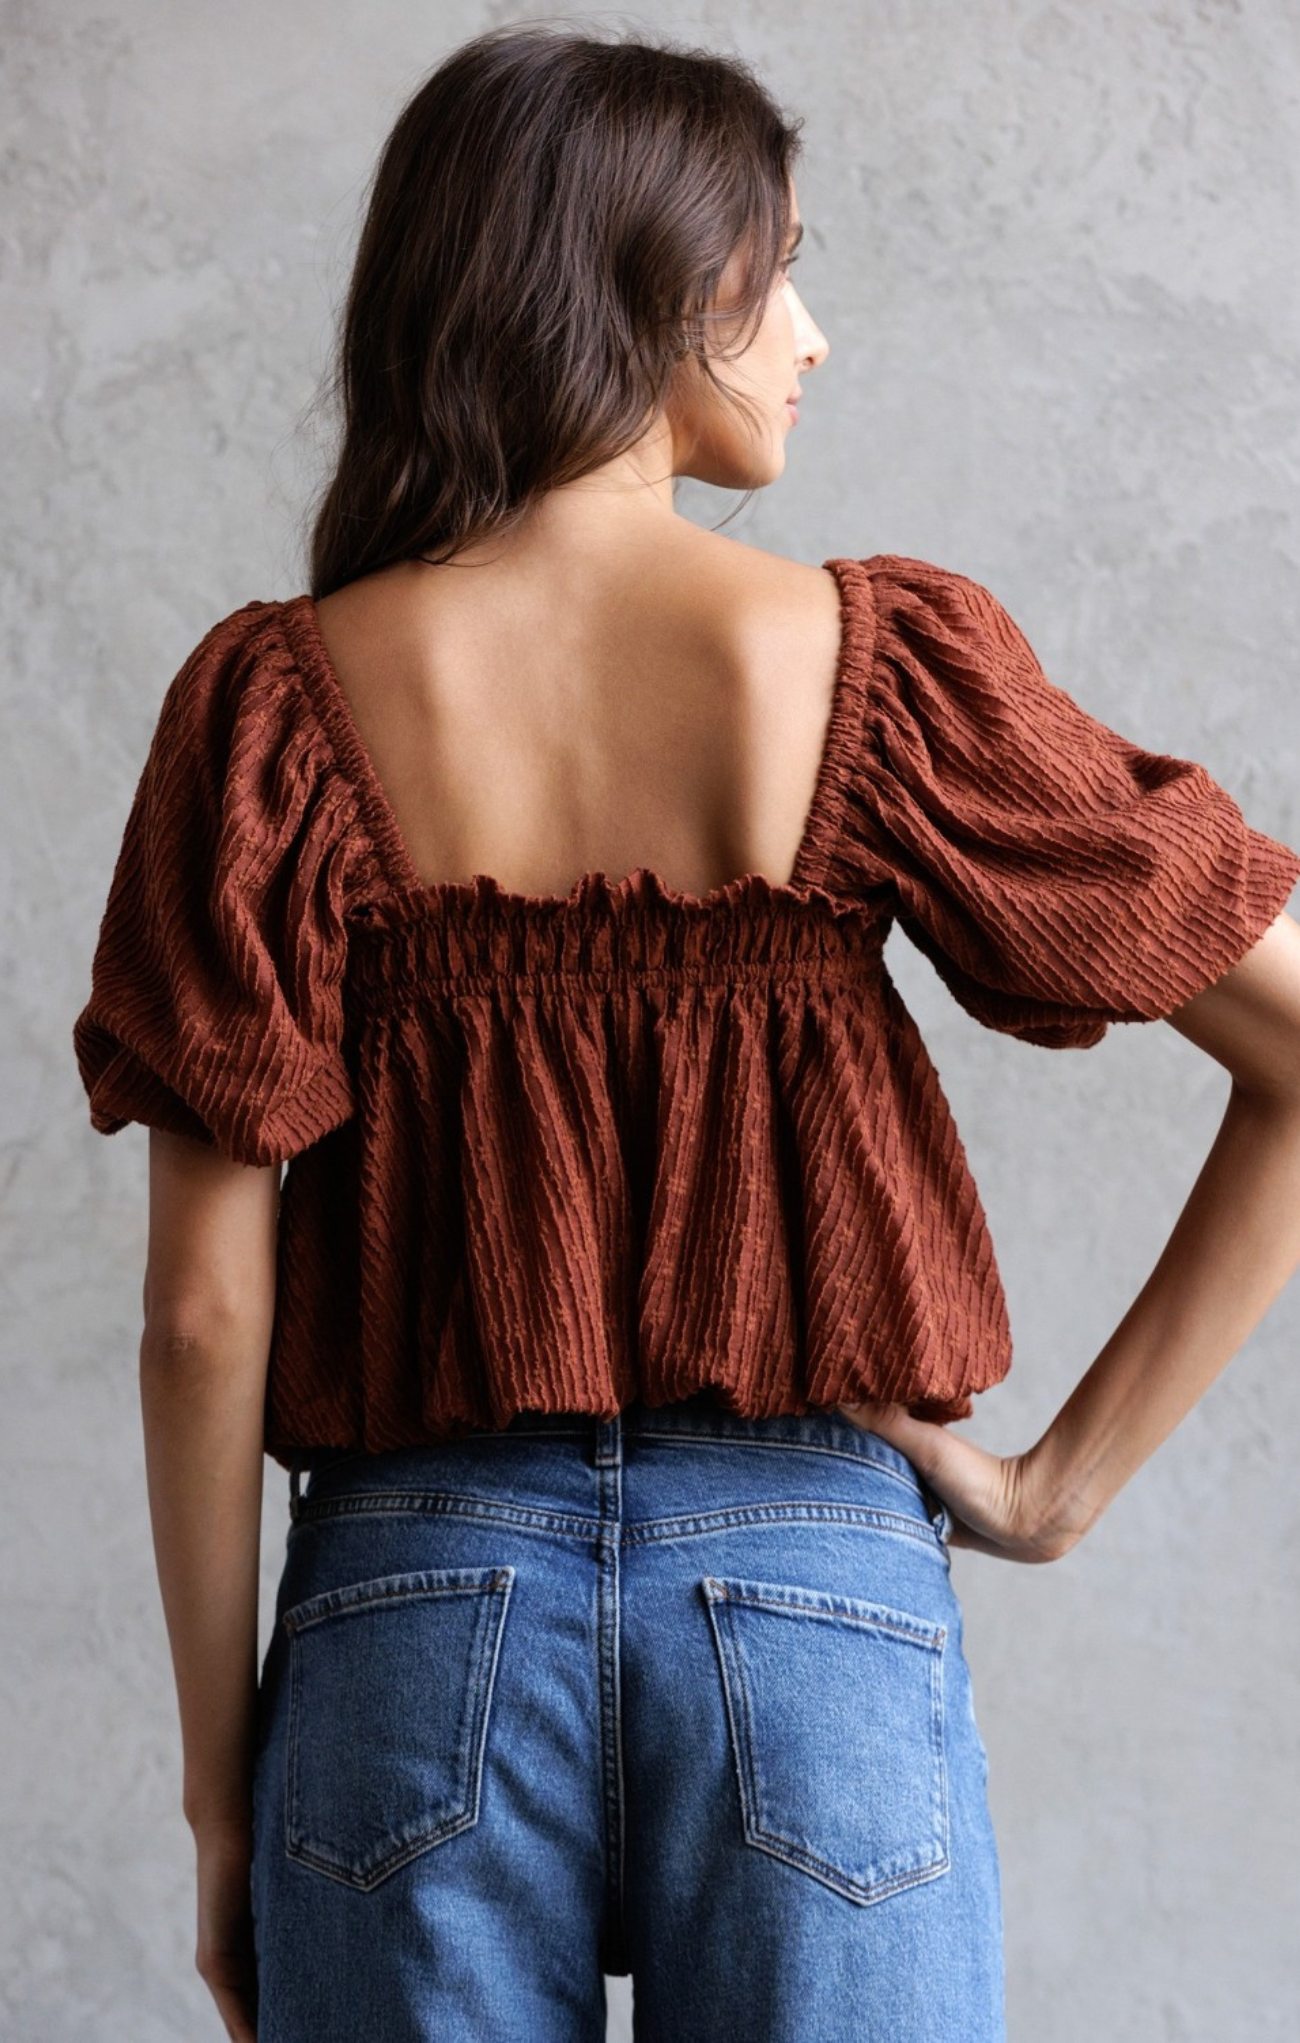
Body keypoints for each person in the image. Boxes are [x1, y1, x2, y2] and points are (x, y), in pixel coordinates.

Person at [71, 24, 1300, 2043]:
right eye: (778, 269)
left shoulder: (275, 711)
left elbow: (202, 1321)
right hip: (812, 1586)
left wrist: (222, 1792)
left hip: (410, 1613)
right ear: (650, 289)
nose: (807, 334)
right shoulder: (876, 669)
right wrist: (1055, 1482)